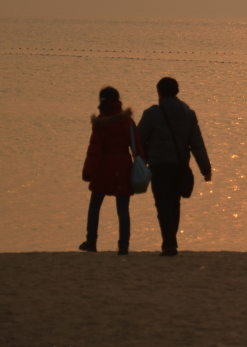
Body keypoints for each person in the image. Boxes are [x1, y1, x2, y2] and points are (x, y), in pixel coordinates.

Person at [137, 77, 212, 257]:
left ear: (159, 92)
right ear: (177, 92)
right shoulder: (188, 113)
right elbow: (197, 143)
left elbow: (139, 139)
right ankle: (170, 242)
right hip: (180, 166)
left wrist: (140, 159)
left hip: (159, 166)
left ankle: (169, 244)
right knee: (174, 204)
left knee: (163, 205)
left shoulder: (151, 114)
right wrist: (205, 168)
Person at [80, 86, 143, 255]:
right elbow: (136, 147)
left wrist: (87, 172)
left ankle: (91, 242)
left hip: (103, 167)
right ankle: (123, 246)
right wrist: (144, 165)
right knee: (123, 209)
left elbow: (94, 150)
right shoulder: (128, 121)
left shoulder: (100, 122)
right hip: (123, 167)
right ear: (118, 100)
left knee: (95, 205)